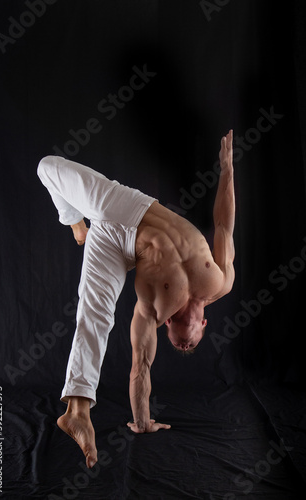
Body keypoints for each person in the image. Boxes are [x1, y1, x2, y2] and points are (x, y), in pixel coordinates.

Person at [37, 130, 235, 469]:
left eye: (179, 347)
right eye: (190, 346)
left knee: (95, 313)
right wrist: (228, 168)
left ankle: (78, 412)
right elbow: (223, 225)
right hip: (124, 206)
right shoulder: (220, 281)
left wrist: (142, 422)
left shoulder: (154, 313)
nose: (185, 347)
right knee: (46, 166)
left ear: (167, 324)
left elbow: (140, 367)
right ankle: (75, 225)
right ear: (203, 324)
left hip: (118, 248)